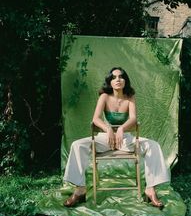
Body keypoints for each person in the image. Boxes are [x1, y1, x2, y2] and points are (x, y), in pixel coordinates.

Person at [63, 67, 170, 208]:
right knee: (77, 145)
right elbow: (95, 119)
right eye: (114, 77)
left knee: (153, 145)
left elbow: (133, 118)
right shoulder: (104, 97)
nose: (118, 80)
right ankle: (80, 190)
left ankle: (150, 190)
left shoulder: (130, 97)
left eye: (121, 77)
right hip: (106, 138)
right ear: (110, 82)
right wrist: (108, 129)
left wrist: (121, 128)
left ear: (125, 80)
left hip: (125, 138)